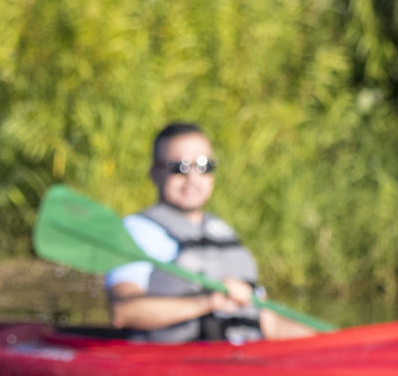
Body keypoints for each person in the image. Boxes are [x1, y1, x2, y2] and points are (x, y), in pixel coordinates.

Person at [104, 123, 315, 343]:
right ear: (155, 172)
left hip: (245, 358)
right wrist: (209, 302)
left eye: (204, 166)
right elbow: (124, 312)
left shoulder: (221, 232)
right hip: (175, 361)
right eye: (180, 167)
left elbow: (268, 321)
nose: (193, 178)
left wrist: (333, 342)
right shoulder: (139, 232)